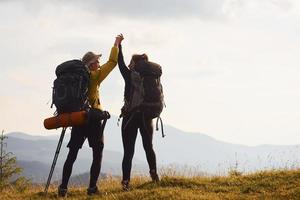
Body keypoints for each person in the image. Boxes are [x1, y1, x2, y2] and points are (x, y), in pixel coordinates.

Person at [58, 34, 123, 197]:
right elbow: (112, 63)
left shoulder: (76, 79)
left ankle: (63, 188)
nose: (99, 64)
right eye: (97, 62)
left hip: (78, 118)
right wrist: (116, 44)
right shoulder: (95, 76)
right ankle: (92, 188)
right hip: (93, 119)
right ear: (92, 64)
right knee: (98, 152)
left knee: (72, 153)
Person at [117, 34, 160, 191]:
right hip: (147, 115)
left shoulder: (129, 76)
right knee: (149, 147)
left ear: (134, 64)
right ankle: (154, 175)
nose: (128, 65)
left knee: (128, 151)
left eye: (131, 62)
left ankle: (126, 182)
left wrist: (118, 45)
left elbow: (119, 62)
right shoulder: (150, 78)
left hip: (130, 116)